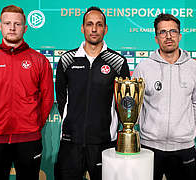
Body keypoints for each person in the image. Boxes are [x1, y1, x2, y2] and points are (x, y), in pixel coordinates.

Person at [0, 5, 54, 180]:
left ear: (25, 28)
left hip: (29, 139)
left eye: (17, 24)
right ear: (0, 26)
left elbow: (48, 98)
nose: (12, 28)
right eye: (8, 23)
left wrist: (32, 123)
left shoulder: (39, 61)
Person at [54, 6, 130, 180]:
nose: (94, 29)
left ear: (106, 29)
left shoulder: (118, 62)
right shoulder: (67, 60)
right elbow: (61, 98)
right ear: (82, 28)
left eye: (99, 24)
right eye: (89, 24)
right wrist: (72, 122)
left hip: (104, 142)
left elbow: (124, 103)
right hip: (70, 141)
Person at [132, 13, 196, 180]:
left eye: (173, 31)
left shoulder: (195, 68)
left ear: (179, 35)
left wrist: (182, 128)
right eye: (162, 32)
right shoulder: (143, 68)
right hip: (149, 147)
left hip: (184, 147)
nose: (168, 36)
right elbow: (137, 106)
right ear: (156, 38)